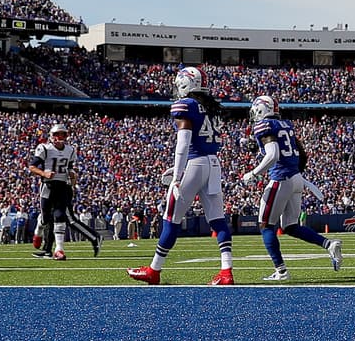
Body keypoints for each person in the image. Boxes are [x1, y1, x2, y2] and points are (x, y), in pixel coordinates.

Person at [127, 67, 234, 286]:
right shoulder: (211, 107)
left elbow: (183, 144)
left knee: (171, 218)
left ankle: (154, 270)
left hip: (194, 165)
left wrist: (177, 175)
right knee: (218, 220)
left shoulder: (186, 106)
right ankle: (226, 272)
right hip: (213, 164)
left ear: (186, 83)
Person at [238, 95, 342, 281]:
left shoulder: (265, 126)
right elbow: (302, 154)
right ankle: (328, 244)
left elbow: (273, 155)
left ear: (262, 110)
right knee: (291, 226)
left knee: (266, 226)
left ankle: (281, 271)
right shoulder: (286, 125)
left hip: (281, 179)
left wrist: (253, 173)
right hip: (295, 178)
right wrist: (298, 174)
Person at [28, 122, 101, 259]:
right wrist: (44, 174)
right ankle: (39, 232)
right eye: (57, 134)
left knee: (59, 216)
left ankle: (59, 249)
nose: (59, 137)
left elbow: (70, 167)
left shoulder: (70, 150)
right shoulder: (44, 148)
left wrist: (73, 177)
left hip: (62, 185)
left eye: (62, 135)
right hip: (48, 186)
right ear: (51, 136)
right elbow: (32, 167)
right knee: (45, 218)